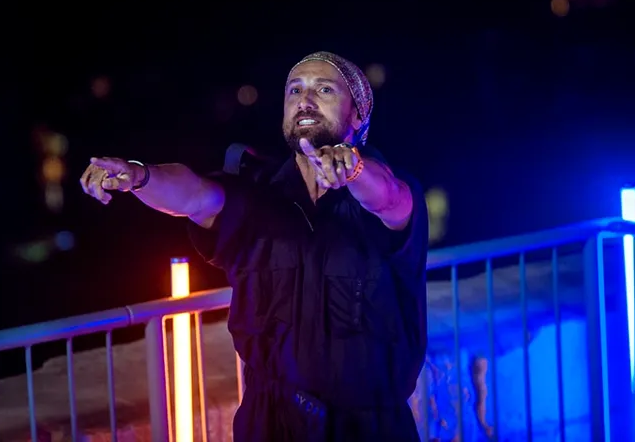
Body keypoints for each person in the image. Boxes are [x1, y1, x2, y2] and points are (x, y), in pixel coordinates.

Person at [80, 51, 428, 441]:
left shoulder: (391, 191)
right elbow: (194, 194)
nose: (305, 99)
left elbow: (389, 198)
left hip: (368, 427)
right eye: (294, 90)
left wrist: (355, 169)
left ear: (358, 114)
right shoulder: (259, 194)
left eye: (324, 90)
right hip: (270, 422)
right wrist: (140, 176)